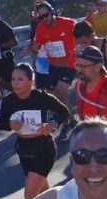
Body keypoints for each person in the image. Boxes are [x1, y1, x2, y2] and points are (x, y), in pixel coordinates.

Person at [0, 63, 72, 199]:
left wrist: (53, 123)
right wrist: (10, 124)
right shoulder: (9, 101)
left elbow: (65, 112)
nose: (15, 83)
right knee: (43, 190)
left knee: (30, 194)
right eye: (13, 79)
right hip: (24, 149)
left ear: (31, 82)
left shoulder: (41, 97)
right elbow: (2, 123)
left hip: (44, 148)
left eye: (21, 79)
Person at [31, 1, 79, 139]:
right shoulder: (40, 28)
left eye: (46, 15)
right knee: (59, 95)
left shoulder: (69, 23)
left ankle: (66, 124)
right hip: (53, 65)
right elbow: (36, 46)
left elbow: (83, 37)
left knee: (62, 90)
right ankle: (72, 119)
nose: (43, 19)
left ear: (52, 12)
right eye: (39, 17)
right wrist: (33, 48)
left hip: (69, 64)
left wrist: (80, 53)